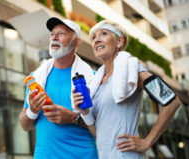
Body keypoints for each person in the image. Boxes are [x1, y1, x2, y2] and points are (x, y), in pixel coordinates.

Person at [73, 20, 181, 159]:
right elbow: (99, 135)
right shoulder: (96, 84)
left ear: (119, 41)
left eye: (104, 34)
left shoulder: (131, 70)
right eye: (93, 37)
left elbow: (172, 102)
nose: (97, 40)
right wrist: (85, 112)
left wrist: (146, 142)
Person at [19, 17, 98, 159]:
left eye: (61, 34)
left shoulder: (93, 79)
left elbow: (103, 128)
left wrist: (73, 118)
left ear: (76, 43)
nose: (54, 37)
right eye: (52, 34)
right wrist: (32, 110)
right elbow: (25, 125)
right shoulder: (36, 78)